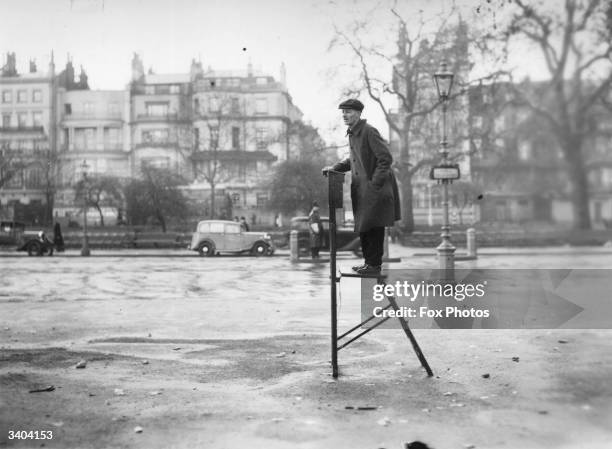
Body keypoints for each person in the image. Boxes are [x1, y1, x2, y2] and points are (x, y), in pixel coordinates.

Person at [323, 98, 400, 275]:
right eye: (343, 112)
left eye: (348, 112)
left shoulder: (368, 131)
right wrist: (335, 167)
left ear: (358, 114)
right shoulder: (354, 133)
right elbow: (354, 159)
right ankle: (368, 263)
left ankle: (374, 265)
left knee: (374, 226)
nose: (344, 115)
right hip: (362, 189)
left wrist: (375, 184)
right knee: (365, 226)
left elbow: (385, 159)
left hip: (374, 189)